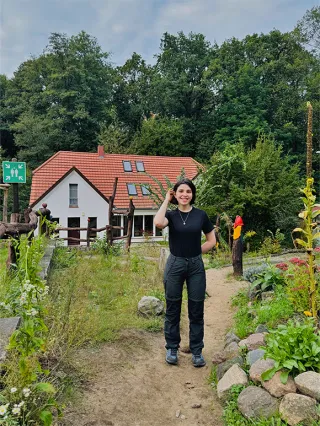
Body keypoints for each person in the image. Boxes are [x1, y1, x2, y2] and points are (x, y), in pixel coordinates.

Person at [154, 178, 216, 367]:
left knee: (196, 309)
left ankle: (196, 351)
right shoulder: (171, 216)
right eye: (180, 191)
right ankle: (172, 348)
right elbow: (157, 223)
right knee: (173, 308)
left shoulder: (201, 215)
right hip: (175, 264)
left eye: (188, 191)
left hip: (196, 266)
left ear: (193, 194)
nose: (184, 194)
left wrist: (196, 253)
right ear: (175, 193)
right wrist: (166, 199)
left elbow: (211, 240)